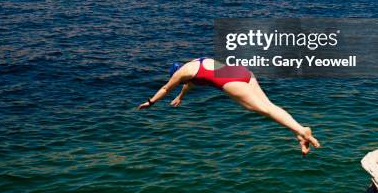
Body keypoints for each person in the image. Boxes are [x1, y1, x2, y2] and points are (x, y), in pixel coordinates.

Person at [137, 57, 321, 155]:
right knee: (269, 106)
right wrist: (181, 96)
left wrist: (151, 102)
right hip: (241, 72)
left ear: (175, 73)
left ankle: (303, 130)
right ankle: (299, 134)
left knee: (264, 109)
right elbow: (189, 83)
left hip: (230, 80)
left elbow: (165, 88)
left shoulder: (180, 73)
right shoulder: (193, 64)